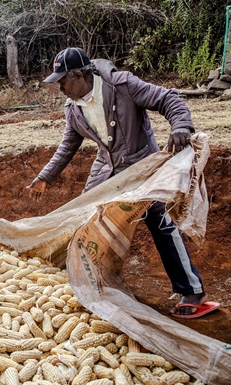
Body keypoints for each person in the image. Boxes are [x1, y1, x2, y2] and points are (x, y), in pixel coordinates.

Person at [27, 47, 219, 319]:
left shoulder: (123, 85)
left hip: (141, 166)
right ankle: (86, 281)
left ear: (78, 76)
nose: (59, 87)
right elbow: (68, 145)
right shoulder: (72, 108)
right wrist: (45, 176)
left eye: (62, 81)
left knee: (159, 221)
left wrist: (180, 127)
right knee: (84, 219)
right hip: (107, 169)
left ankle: (193, 291)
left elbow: (168, 99)